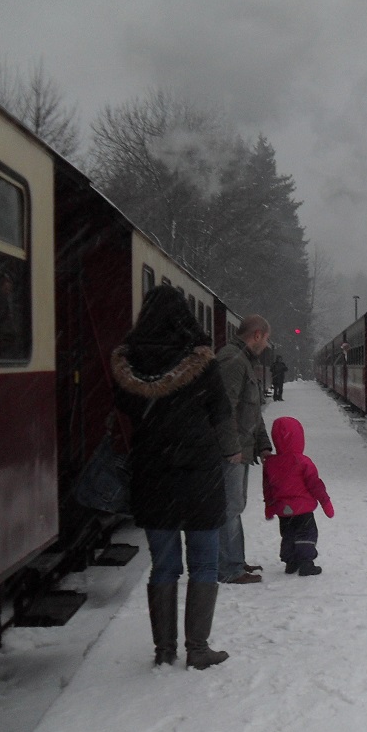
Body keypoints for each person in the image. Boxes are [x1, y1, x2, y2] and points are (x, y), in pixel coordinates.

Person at [111, 285, 240, 669]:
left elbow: (122, 412)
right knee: (204, 564)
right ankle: (197, 649)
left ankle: (164, 651)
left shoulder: (127, 364)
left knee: (164, 566)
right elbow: (221, 415)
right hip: (199, 477)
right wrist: (233, 453)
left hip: (153, 477)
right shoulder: (201, 363)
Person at [217, 315, 274, 585]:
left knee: (236, 506)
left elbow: (252, 409)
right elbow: (224, 408)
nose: (267, 344)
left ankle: (235, 561)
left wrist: (263, 443)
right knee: (229, 508)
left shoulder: (243, 360)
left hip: (242, 447)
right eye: (266, 338)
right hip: (233, 450)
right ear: (257, 335)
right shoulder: (232, 361)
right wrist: (231, 448)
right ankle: (228, 568)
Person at [263, 416, 335, 576]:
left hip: (283, 510)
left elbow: (267, 488)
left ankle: (290, 562)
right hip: (303, 509)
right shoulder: (303, 461)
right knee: (306, 534)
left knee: (288, 534)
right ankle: (306, 563)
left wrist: (269, 507)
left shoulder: (270, 463)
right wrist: (326, 504)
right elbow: (316, 485)